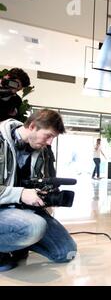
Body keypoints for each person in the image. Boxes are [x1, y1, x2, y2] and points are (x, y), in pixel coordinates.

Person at [0, 109, 77, 272]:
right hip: (3, 208)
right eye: (48, 136)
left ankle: (17, 242)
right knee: (34, 227)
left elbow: (40, 181)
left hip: (24, 210)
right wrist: (20, 194)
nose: (49, 142)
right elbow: (20, 193)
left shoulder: (41, 151)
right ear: (33, 126)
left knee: (66, 252)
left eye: (53, 138)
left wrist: (46, 195)